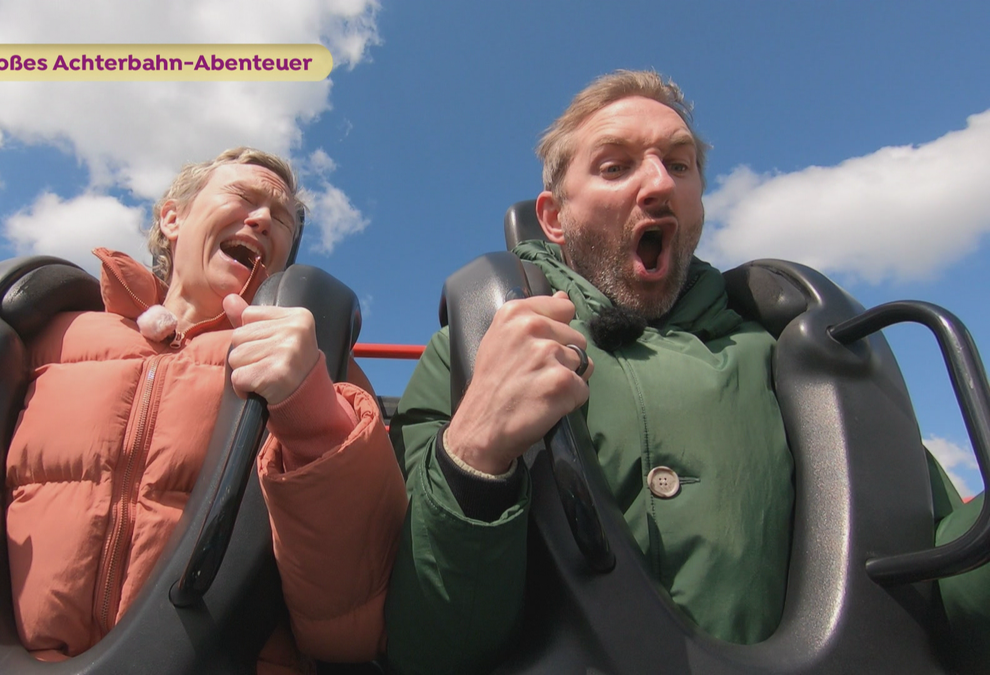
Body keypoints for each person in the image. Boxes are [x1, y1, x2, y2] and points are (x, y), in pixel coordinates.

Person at [383, 71, 988, 674]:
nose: (657, 184)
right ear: (553, 218)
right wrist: (472, 456)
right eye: (615, 167)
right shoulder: (467, 352)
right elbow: (429, 645)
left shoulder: (801, 359)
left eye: (679, 164)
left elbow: (937, 590)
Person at [0, 147, 407, 672]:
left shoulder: (319, 370)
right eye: (245, 197)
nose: (264, 219)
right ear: (173, 217)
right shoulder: (31, 340)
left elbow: (347, 626)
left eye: (282, 220)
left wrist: (312, 414)